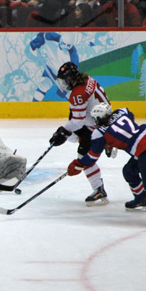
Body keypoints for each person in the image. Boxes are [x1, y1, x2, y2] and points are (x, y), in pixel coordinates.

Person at [49, 62, 112, 206]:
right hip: (103, 119)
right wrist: (64, 132)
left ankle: (99, 191)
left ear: (71, 78)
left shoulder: (77, 93)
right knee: (71, 131)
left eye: (65, 80)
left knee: (83, 157)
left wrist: (62, 132)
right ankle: (103, 142)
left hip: (97, 128)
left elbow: (77, 121)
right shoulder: (87, 79)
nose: (64, 83)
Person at [28, 32, 80, 101]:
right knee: (44, 85)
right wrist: (39, 40)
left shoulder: (73, 56)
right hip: (50, 67)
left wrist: (67, 88)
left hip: (63, 74)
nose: (64, 47)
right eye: (63, 44)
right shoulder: (51, 37)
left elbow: (74, 74)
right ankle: (34, 105)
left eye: (68, 46)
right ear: (61, 39)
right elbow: (43, 35)